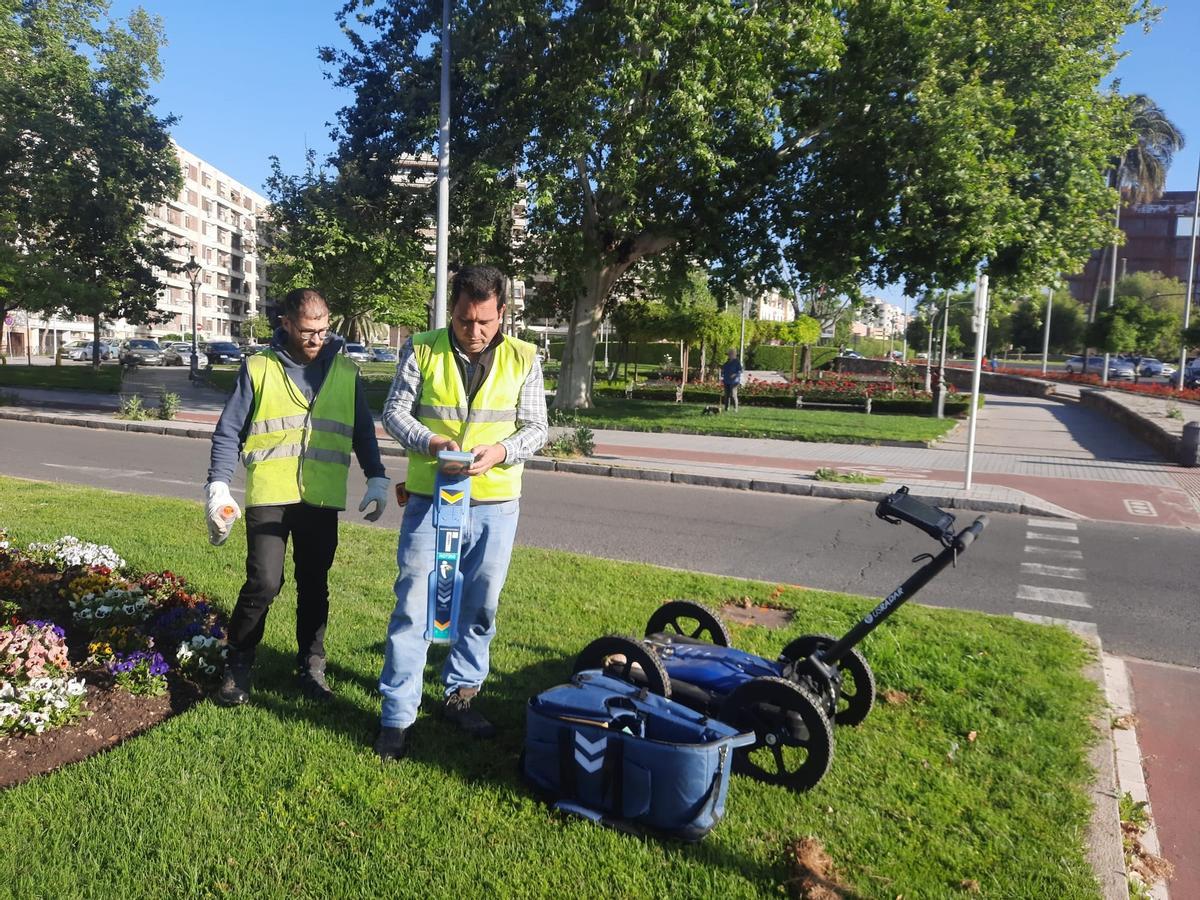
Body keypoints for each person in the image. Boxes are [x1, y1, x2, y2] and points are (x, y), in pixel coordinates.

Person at [374, 265, 547, 762]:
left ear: (502, 314)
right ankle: (396, 716)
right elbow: (395, 411)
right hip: (432, 499)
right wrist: (429, 441)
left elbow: (537, 427)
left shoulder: (525, 358)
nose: (474, 332)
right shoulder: (423, 348)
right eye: (465, 320)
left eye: (485, 322)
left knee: (480, 605)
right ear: (451, 310)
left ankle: (461, 695)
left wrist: (504, 451)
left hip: (495, 502)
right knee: (414, 604)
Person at [205, 288, 390, 706]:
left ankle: (311, 666)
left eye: (322, 331)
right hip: (270, 496)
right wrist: (218, 485)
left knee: (314, 584)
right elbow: (229, 431)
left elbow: (362, 431)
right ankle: (238, 665)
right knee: (264, 583)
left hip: (320, 498)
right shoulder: (258, 368)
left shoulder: (345, 372)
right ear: (286, 323)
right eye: (307, 331)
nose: (315, 339)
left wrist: (377, 476)